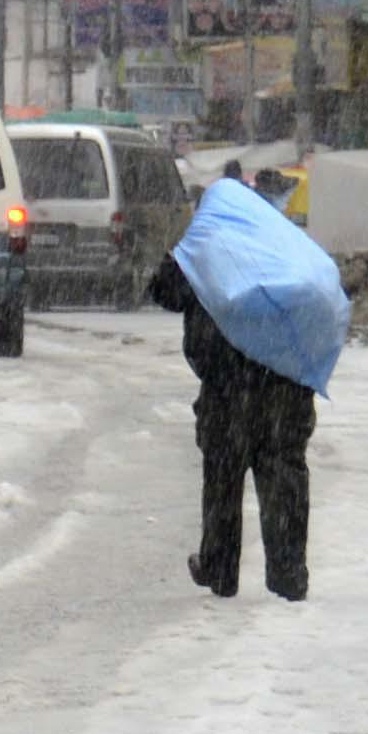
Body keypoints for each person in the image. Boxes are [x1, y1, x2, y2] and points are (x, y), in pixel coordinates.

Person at [150, 246, 317, 602]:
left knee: (223, 478)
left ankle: (220, 567)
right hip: (285, 383)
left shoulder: (206, 251)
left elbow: (164, 291)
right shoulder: (285, 247)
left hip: (228, 383)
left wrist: (178, 257)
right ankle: (288, 574)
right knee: (283, 475)